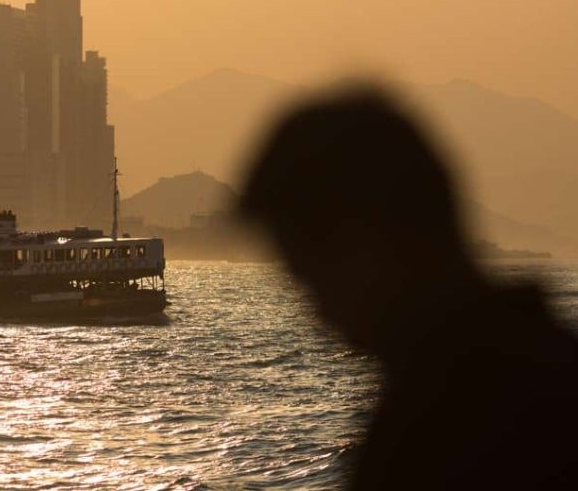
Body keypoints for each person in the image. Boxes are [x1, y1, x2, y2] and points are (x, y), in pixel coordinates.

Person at [234, 85, 578, 490]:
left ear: (380, 239)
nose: (316, 308)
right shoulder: (546, 369)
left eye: (310, 270)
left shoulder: (434, 430)